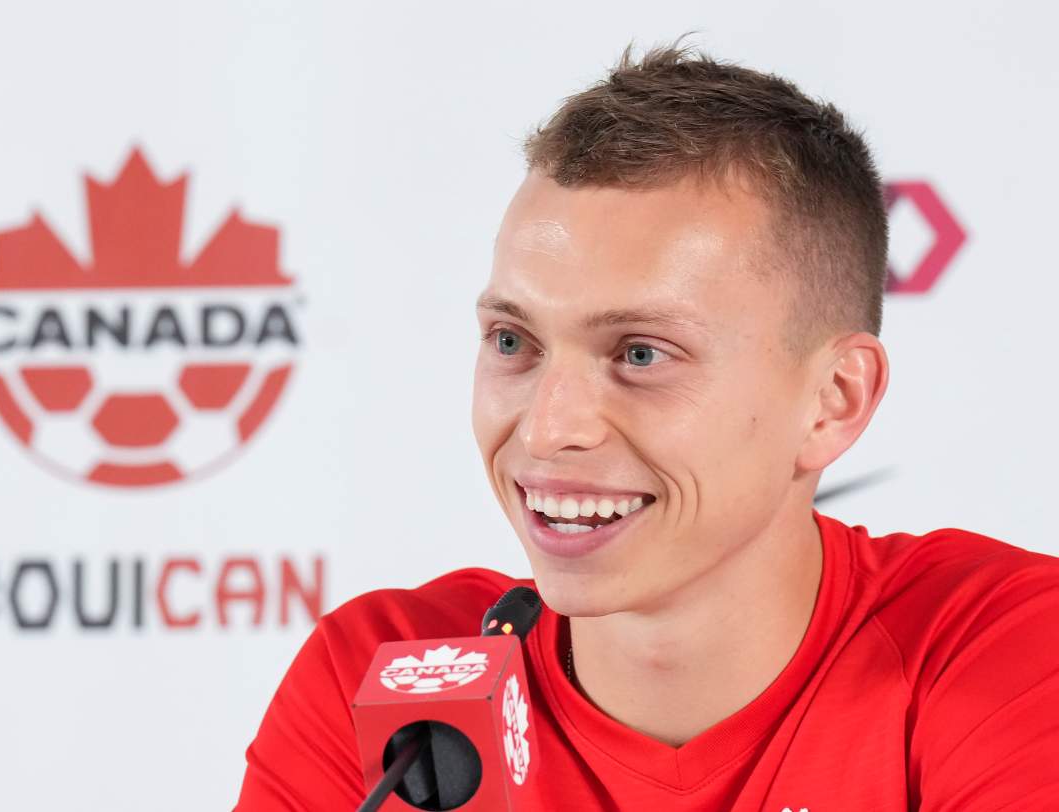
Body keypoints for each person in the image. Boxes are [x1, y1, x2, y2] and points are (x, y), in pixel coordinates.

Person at [233, 44, 1059, 810]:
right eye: (513, 341)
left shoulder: (1005, 652)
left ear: (835, 400)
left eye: (640, 354)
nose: (550, 429)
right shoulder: (385, 675)